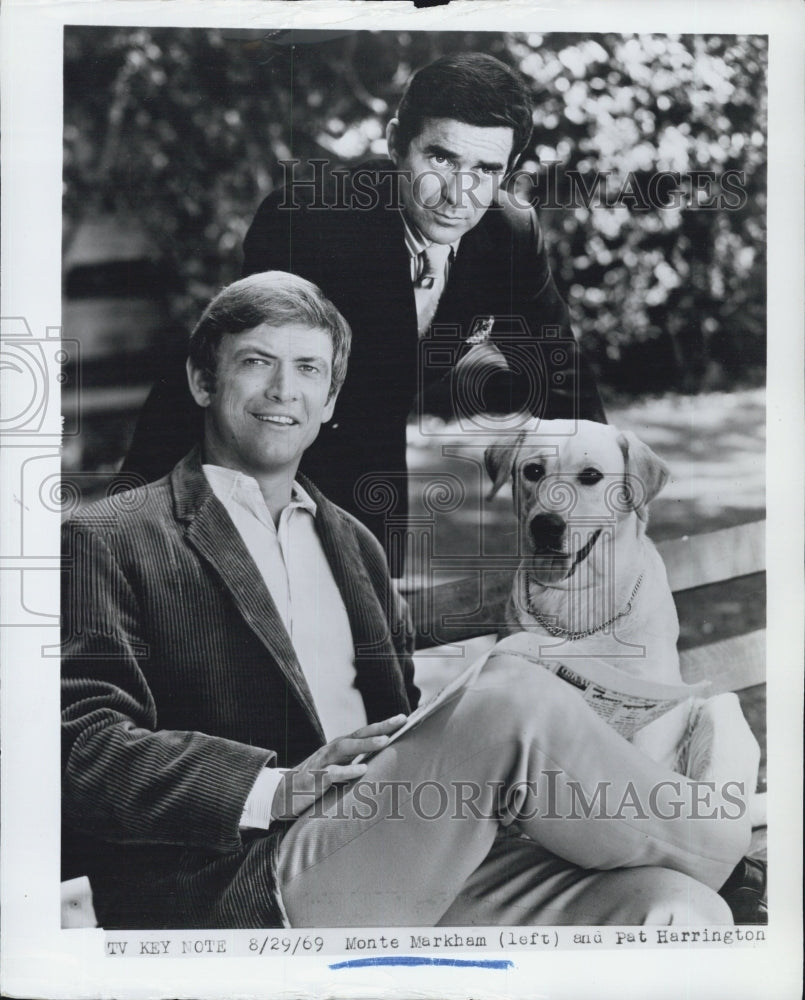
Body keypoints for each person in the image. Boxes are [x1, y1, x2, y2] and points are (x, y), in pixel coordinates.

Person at [62, 272, 752, 930]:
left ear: (330, 400)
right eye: (256, 361)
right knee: (512, 688)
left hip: (404, 847)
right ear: (201, 380)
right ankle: (729, 856)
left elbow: (403, 724)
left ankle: (707, 872)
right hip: (244, 878)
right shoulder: (111, 538)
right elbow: (78, 749)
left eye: (308, 369)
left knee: (677, 907)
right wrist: (273, 786)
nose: (283, 389)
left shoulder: (352, 544)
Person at [122, 53, 607, 569]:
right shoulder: (308, 221)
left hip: (372, 454)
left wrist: (601, 493)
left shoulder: (509, 233)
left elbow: (560, 374)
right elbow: (261, 382)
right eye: (442, 159)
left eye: (486, 170)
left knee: (375, 606)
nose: (458, 196)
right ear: (397, 143)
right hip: (229, 438)